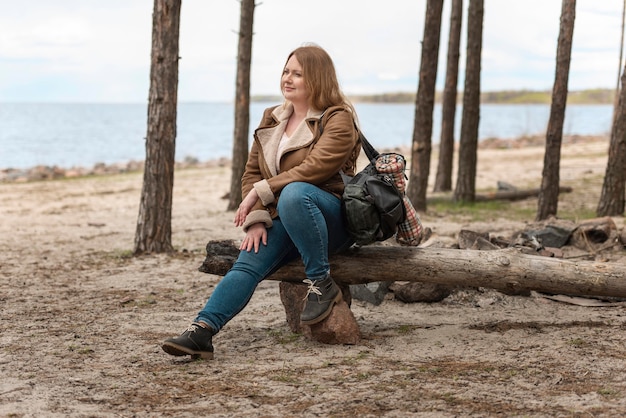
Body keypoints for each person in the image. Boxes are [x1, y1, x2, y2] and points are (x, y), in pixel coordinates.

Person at [162, 44, 361, 360]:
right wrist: (256, 217)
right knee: (248, 262)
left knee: (296, 194)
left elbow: (316, 168)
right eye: (286, 71)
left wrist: (263, 190)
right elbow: (251, 171)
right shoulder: (273, 117)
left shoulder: (337, 118)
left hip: (329, 218)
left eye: (298, 73)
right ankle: (202, 331)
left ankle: (322, 282)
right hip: (283, 216)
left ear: (318, 78)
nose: (288, 78)